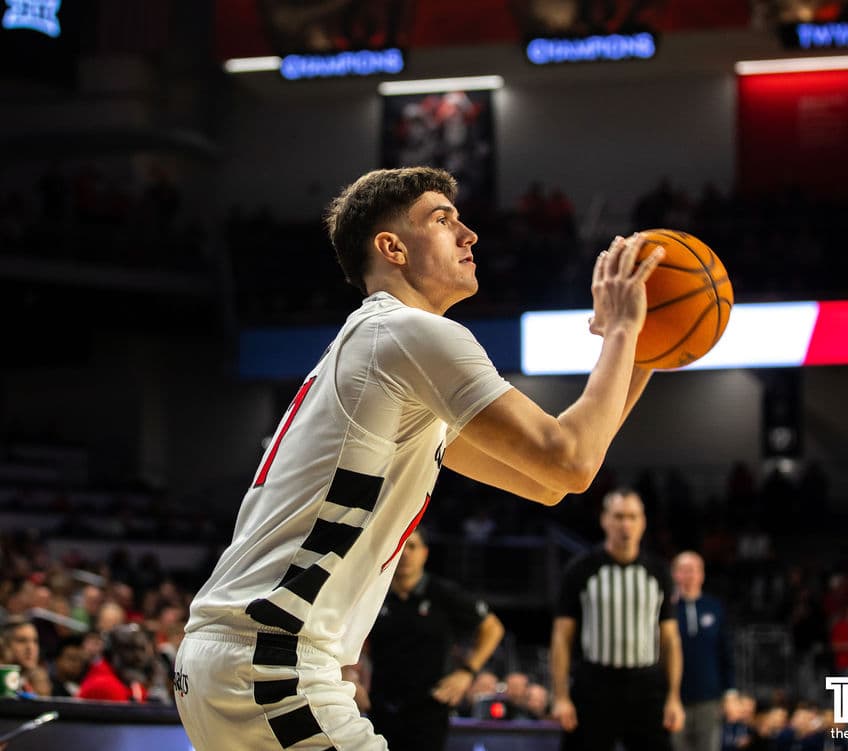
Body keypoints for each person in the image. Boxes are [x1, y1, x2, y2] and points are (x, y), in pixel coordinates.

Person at [174, 167, 664, 751]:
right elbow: (570, 461)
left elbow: (549, 486)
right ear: (391, 247)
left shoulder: (384, 354)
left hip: (233, 659)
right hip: (272, 661)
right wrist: (622, 332)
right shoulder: (409, 332)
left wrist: (644, 352)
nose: (469, 234)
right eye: (442, 219)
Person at [346, 527, 504, 751]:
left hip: (429, 708)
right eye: (401, 546)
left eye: (413, 546)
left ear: (425, 553)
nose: (406, 553)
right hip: (380, 705)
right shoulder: (374, 594)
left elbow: (493, 628)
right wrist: (349, 676)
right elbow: (346, 638)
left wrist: (467, 672)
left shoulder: (443, 593)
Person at [550, 488, 684, 751]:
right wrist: (561, 696)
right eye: (619, 516)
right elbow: (561, 636)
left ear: (643, 522)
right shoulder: (581, 569)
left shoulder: (658, 571)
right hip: (595, 683)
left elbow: (670, 640)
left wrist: (674, 697)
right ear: (605, 520)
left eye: (633, 517)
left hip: (646, 684)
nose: (626, 524)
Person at [671, 551, 737, 751]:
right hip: (674, 700)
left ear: (702, 574)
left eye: (693, 570)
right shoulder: (664, 609)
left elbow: (725, 653)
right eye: (683, 570)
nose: (689, 575)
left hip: (709, 699)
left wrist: (730, 693)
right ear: (674, 574)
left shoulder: (714, 607)